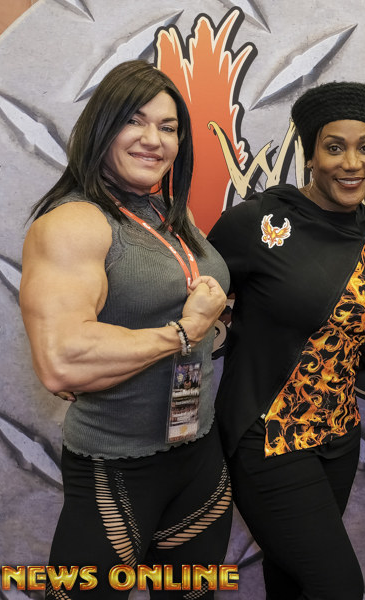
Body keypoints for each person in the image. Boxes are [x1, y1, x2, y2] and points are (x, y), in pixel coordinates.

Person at [20, 60, 232, 599]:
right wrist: (186, 331)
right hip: (117, 469)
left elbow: (153, 304)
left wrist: (208, 320)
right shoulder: (73, 223)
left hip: (198, 454)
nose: (153, 139)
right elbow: (63, 361)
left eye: (168, 127)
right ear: (101, 127)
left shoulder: (167, 213)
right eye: (134, 121)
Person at [206, 81, 365, 599]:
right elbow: (185, 295)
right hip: (269, 437)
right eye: (334, 147)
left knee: (292, 581)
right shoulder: (257, 222)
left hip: (339, 438)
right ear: (311, 156)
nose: (351, 163)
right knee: (338, 587)